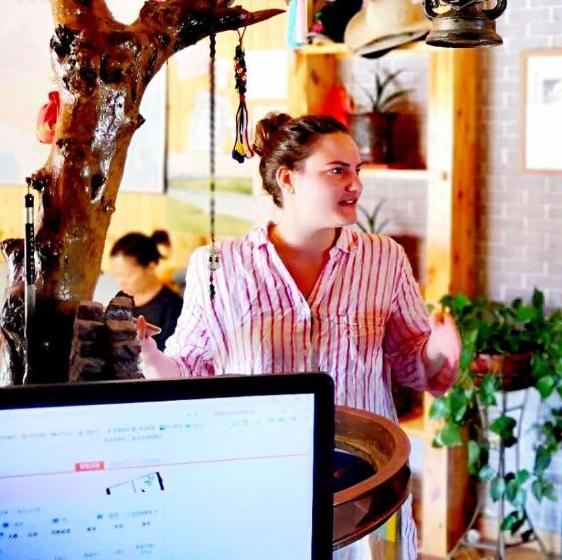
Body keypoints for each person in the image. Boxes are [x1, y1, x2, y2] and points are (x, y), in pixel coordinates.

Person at [137, 113, 461, 559]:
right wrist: (149, 358)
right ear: (287, 179)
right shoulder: (217, 266)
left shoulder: (384, 258)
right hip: (260, 483)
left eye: (357, 170)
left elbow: (411, 364)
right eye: (337, 171)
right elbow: (190, 371)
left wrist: (438, 353)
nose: (355, 184)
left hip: (366, 486)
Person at [109, 230, 183, 351]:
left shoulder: (174, 307)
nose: (120, 283)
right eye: (116, 276)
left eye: (126, 276)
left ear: (151, 267)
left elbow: (170, 357)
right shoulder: (121, 297)